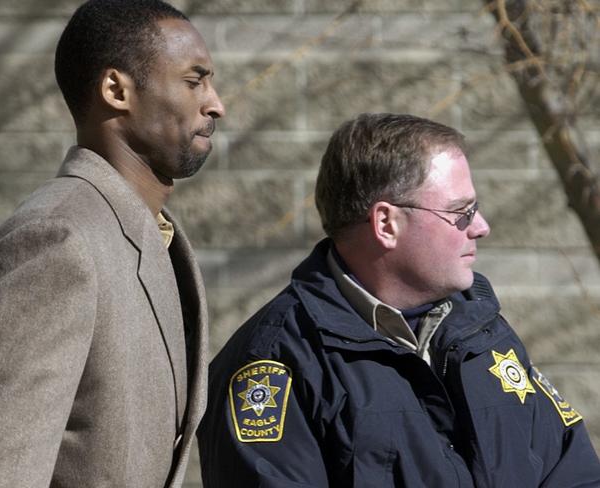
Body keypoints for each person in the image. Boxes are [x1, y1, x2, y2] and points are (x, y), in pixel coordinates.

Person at [197, 113, 600, 487]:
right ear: (386, 223)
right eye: (460, 212)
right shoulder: (278, 363)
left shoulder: (481, 329)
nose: (481, 227)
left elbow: (573, 469)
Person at [0, 0, 224, 486]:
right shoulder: (54, 240)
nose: (215, 103)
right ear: (117, 90)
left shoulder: (151, 235)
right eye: (193, 80)